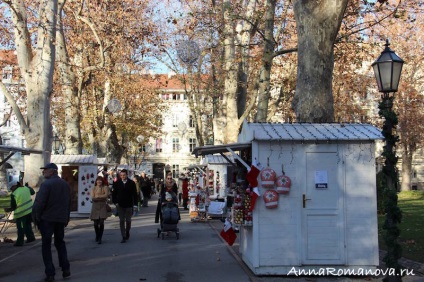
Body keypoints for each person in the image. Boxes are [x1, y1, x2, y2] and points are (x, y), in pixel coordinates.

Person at [32, 163, 71, 282]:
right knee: (60, 243)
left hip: (47, 219)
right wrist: (66, 218)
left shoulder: (46, 184)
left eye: (45, 170)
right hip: (60, 219)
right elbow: (68, 203)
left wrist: (36, 218)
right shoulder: (65, 184)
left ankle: (50, 273)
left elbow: (39, 203)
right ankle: (65, 269)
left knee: (46, 246)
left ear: (52, 171)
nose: (44, 172)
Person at [112, 169, 138, 243]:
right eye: (121, 175)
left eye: (124, 175)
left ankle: (127, 231)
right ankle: (123, 236)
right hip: (120, 205)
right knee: (122, 221)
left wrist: (135, 205)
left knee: (128, 221)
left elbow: (135, 195)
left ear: (127, 175)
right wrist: (115, 202)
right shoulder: (117, 183)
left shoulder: (132, 183)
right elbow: (114, 194)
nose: (122, 176)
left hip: (129, 205)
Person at [90, 176, 109, 244]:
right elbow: (93, 197)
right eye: (98, 180)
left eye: (100, 180)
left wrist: (98, 196)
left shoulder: (105, 187)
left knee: (101, 222)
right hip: (95, 206)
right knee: (95, 223)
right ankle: (97, 235)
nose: (99, 182)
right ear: (96, 181)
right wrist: (101, 197)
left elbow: (106, 195)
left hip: (102, 206)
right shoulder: (93, 188)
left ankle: (100, 237)